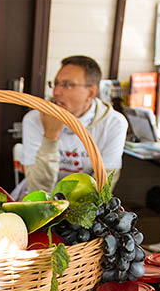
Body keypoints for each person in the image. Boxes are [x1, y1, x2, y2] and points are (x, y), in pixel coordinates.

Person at [16, 55, 127, 198]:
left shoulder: (114, 124)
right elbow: (38, 189)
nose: (56, 92)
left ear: (91, 92)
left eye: (67, 85)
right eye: (55, 83)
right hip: (40, 201)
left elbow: (103, 189)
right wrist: (50, 137)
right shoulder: (34, 119)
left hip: (83, 205)